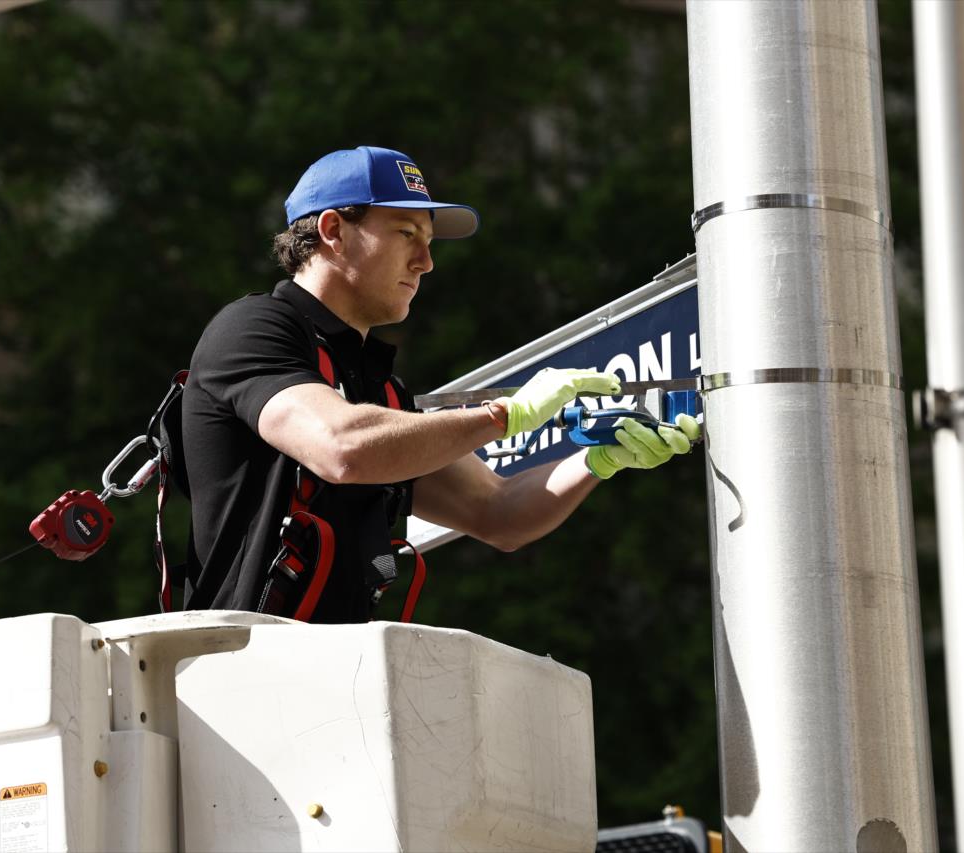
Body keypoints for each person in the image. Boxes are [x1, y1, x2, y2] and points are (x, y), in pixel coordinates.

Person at [179, 146, 699, 622]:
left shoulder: (380, 389)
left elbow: (497, 513)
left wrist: (596, 461)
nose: (426, 262)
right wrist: (504, 416)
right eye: (407, 233)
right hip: (238, 675)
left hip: (336, 680)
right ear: (334, 230)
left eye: (428, 242)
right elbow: (342, 447)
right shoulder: (252, 328)